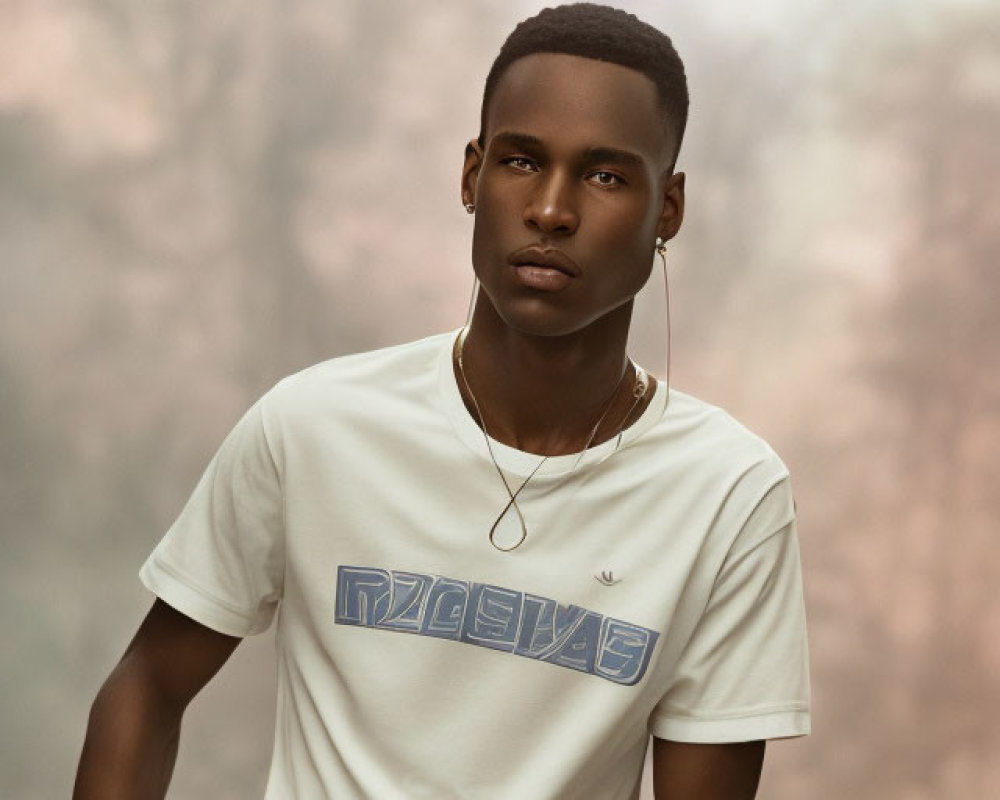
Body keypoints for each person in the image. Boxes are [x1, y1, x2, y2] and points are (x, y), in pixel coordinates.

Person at [74, 4, 810, 798]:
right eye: (522, 161)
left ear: (667, 209)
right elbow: (148, 684)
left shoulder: (730, 494)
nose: (552, 211)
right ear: (472, 175)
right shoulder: (316, 427)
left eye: (604, 175)